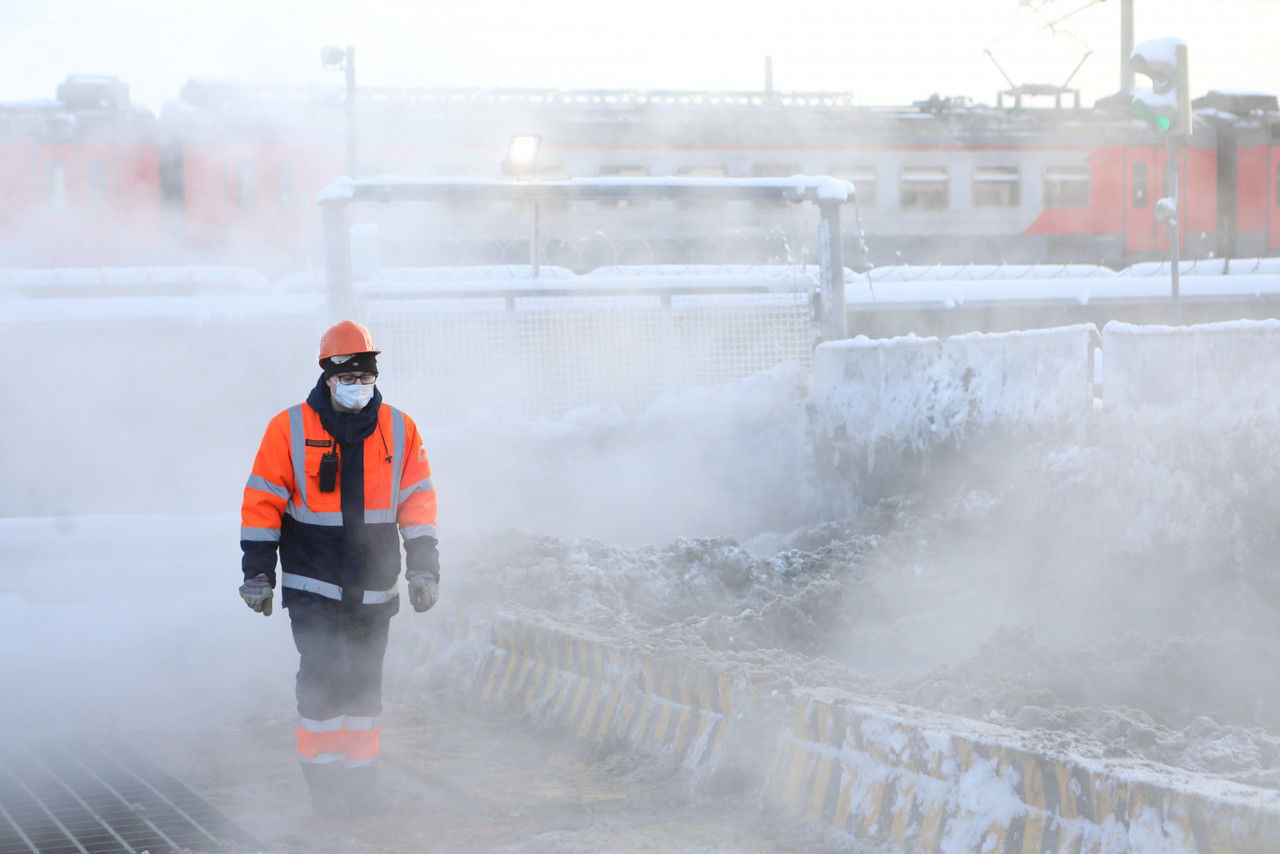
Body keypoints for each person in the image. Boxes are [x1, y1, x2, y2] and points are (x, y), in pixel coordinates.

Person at [237, 319, 439, 816]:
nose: (358, 388)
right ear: (328, 376)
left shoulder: (399, 428)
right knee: (324, 680)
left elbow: (417, 505)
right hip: (313, 587)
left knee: (365, 687)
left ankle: (361, 787)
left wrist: (424, 568)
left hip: (374, 589)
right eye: (349, 379)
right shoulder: (289, 428)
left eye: (365, 378)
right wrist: (258, 572)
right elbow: (263, 503)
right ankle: (325, 791)